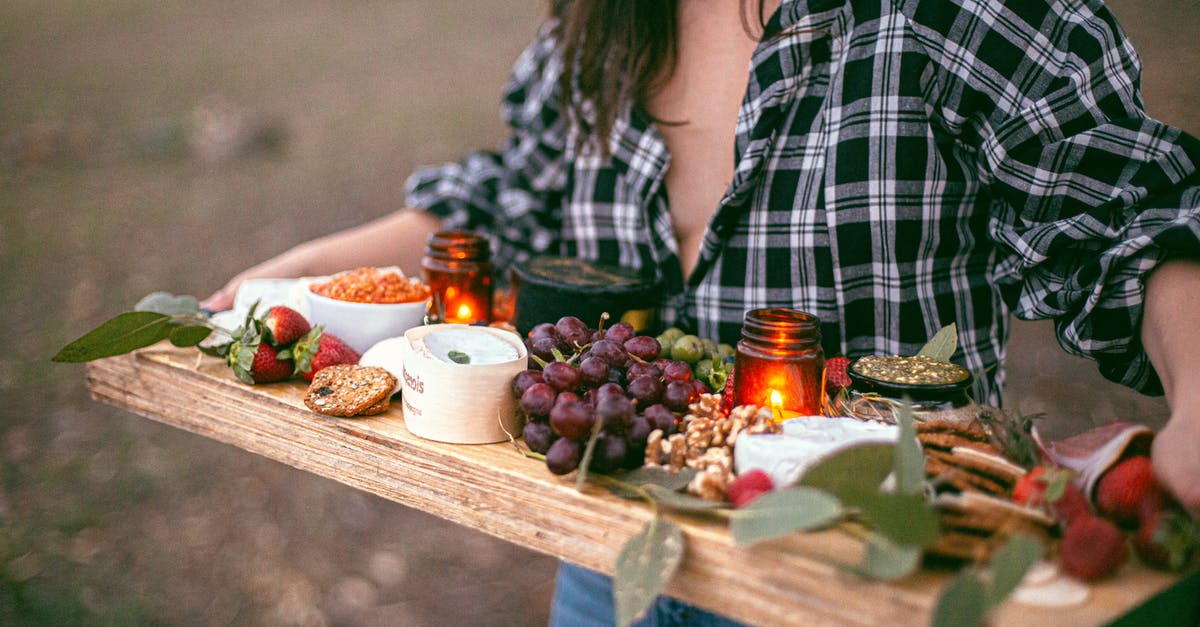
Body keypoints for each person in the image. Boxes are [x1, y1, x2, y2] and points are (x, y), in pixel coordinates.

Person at [204, 0, 1200, 623]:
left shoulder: (958, 15)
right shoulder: (596, 27)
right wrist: (293, 278)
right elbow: (508, 197)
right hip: (613, 566)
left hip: (864, 582)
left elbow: (1128, 214)